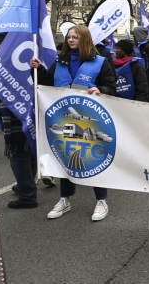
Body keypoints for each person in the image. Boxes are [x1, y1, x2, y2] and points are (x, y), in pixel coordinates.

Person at [30, 25, 116, 221]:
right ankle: (64, 199)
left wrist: (100, 89)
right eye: (69, 37)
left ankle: (101, 200)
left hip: (91, 121)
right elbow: (46, 84)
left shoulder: (101, 62)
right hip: (63, 119)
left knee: (94, 160)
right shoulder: (60, 61)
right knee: (66, 159)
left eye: (75, 37)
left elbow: (111, 87)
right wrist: (37, 69)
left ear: (84, 39)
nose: (70, 40)